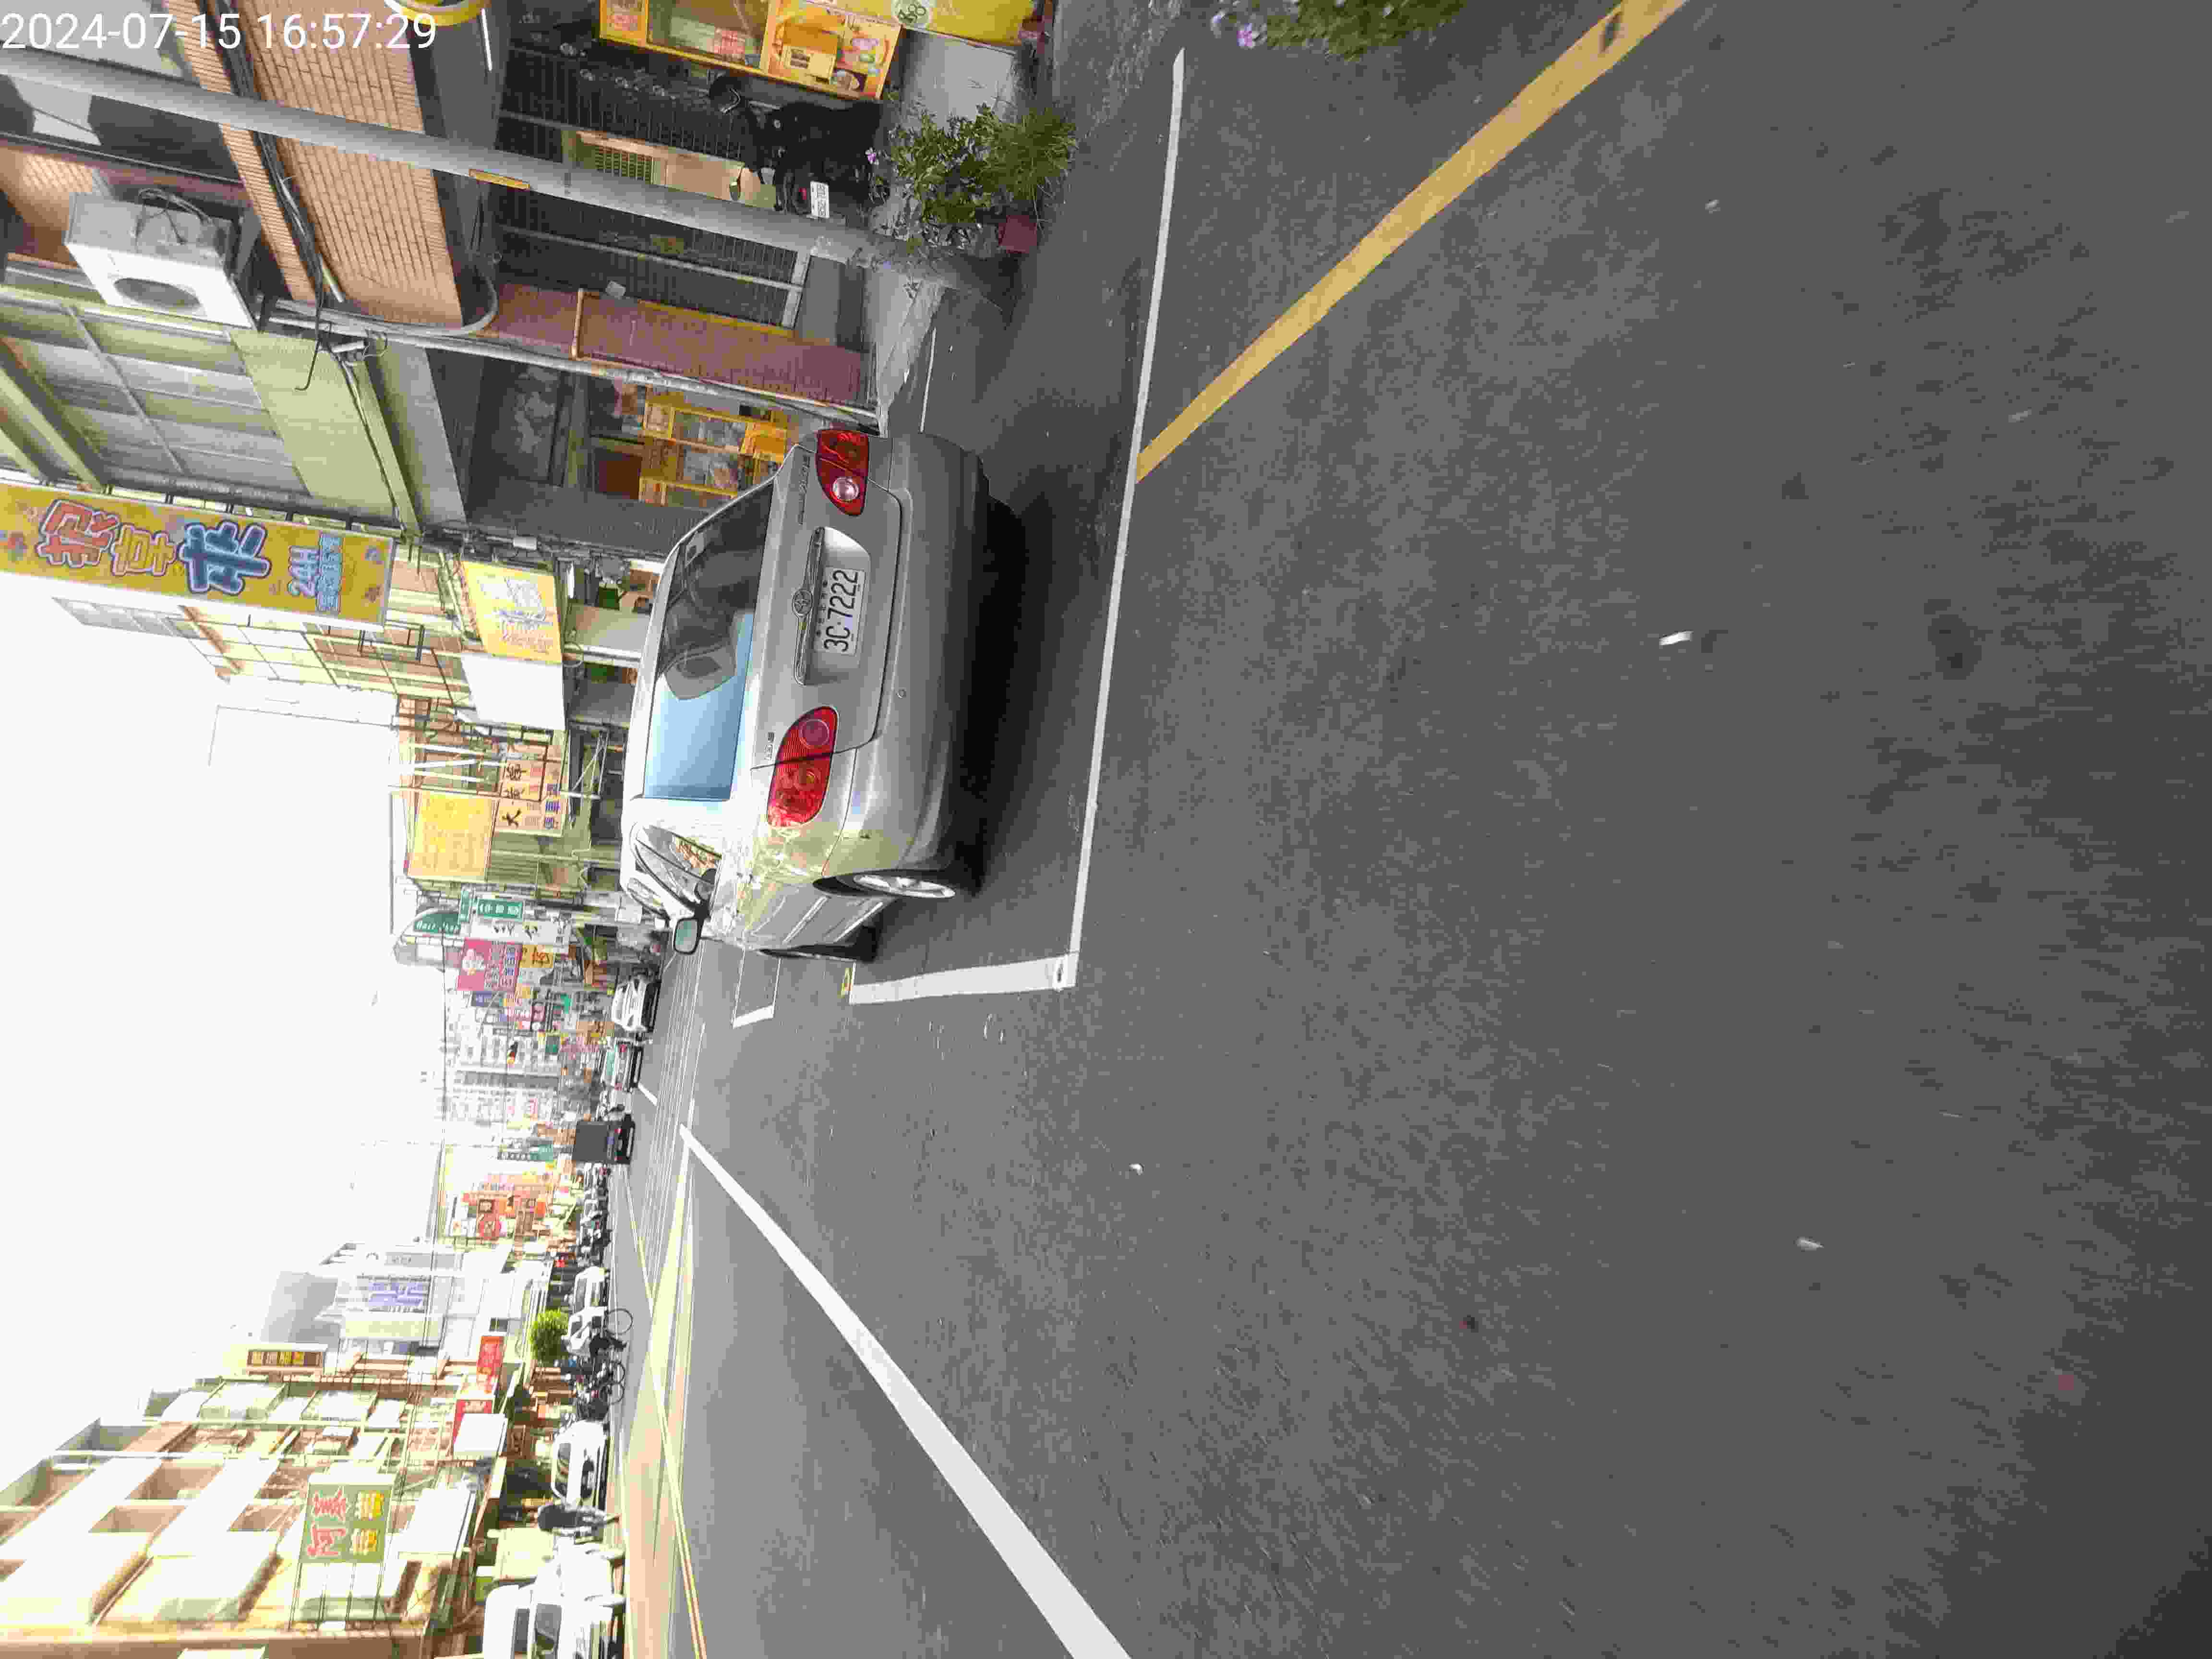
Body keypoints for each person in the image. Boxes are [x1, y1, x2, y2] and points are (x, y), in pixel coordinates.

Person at [536, 1500, 614, 1539]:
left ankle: (606, 1522)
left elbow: (556, 1532)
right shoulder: (543, 1510)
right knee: (589, 1512)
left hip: (570, 1524)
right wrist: (568, 1504)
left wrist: (568, 1534)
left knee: (589, 1524)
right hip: (570, 1513)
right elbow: (558, 1504)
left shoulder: (543, 1527)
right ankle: (605, 1515)